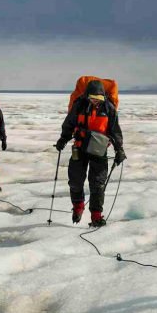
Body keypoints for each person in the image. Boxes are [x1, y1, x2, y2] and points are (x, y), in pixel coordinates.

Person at [54, 79, 125, 226]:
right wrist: (63, 139)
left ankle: (96, 216)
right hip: (79, 149)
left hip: (99, 152)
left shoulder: (109, 108)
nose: (95, 102)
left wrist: (120, 150)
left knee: (97, 184)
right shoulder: (79, 105)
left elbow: (115, 131)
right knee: (75, 181)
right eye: (92, 98)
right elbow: (69, 124)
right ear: (87, 96)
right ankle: (78, 207)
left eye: (98, 99)